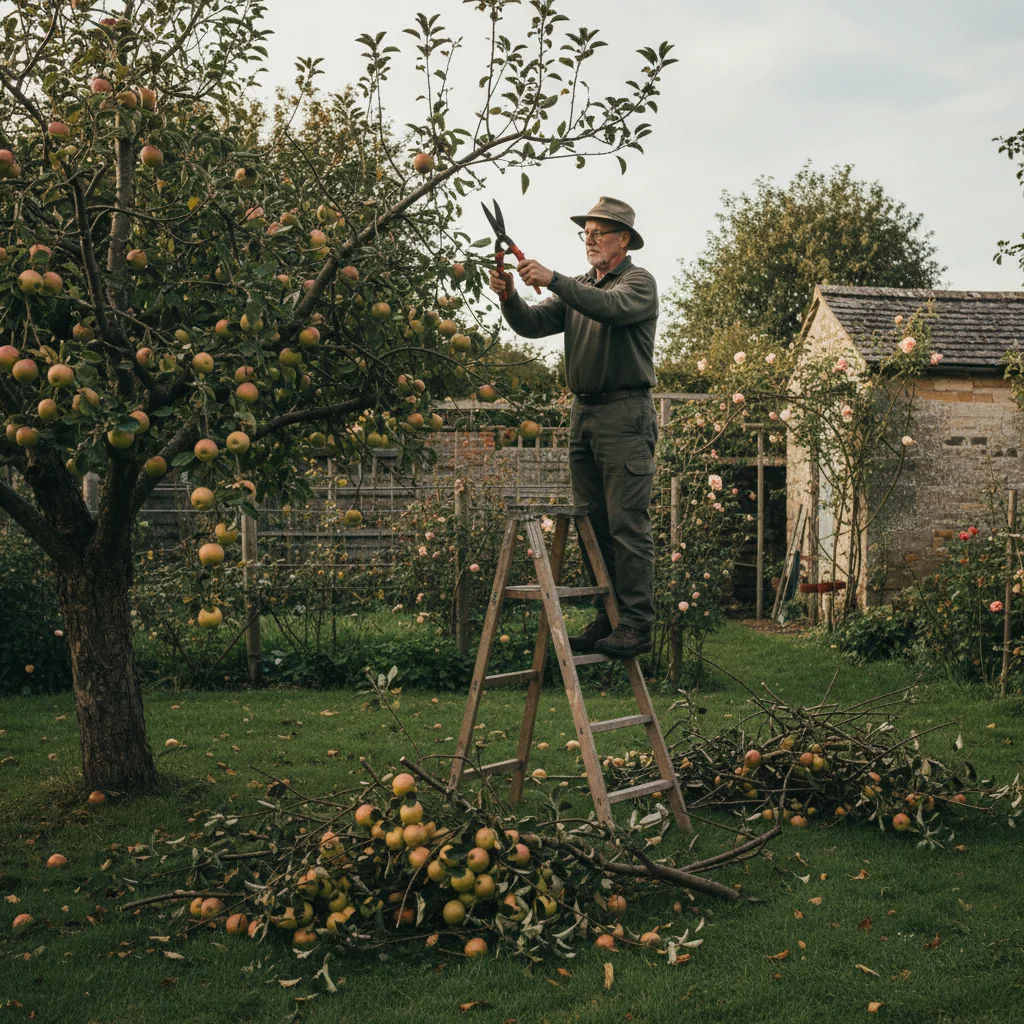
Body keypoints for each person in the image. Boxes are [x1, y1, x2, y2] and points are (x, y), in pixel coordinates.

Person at [489, 197, 659, 658]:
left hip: (626, 416)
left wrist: (555, 280)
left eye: (599, 232)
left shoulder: (637, 283)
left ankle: (637, 624)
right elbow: (530, 324)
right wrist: (509, 295)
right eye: (586, 232)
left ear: (623, 240)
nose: (590, 239)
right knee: (593, 525)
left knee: (627, 525)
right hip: (583, 415)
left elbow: (611, 309)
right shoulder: (580, 287)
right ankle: (611, 617)